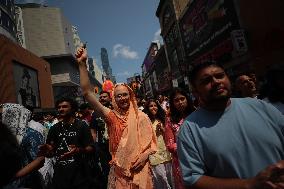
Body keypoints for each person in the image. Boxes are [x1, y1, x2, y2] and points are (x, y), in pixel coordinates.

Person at [177, 61, 284, 189]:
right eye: (206, 81)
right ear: (195, 92)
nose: (216, 82)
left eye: (220, 76)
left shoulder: (259, 106)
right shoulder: (189, 129)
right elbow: (193, 180)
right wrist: (249, 184)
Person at [76, 46, 157, 189]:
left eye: (125, 94)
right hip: (120, 174)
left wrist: (144, 157)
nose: (122, 98)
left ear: (131, 96)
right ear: (114, 99)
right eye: (118, 96)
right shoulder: (111, 116)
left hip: (141, 171)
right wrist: (82, 64)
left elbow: (151, 144)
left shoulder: (142, 117)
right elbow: (87, 93)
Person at [38, 97, 94, 189]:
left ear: (72, 108)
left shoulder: (81, 125)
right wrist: (48, 151)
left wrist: (79, 150)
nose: (61, 109)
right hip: (60, 173)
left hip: (80, 173)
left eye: (64, 106)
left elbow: (91, 147)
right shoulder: (54, 128)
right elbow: (51, 152)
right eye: (59, 107)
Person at [1, 103, 45, 189]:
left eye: (2, 114)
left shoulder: (31, 134)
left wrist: (15, 176)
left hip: (25, 182)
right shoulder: (4, 133)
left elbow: (39, 160)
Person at [165, 88, 194, 189]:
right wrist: (188, 148)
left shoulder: (196, 114)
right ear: (172, 103)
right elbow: (170, 145)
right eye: (176, 100)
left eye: (182, 99)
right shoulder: (170, 120)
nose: (180, 102)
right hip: (181, 163)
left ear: (187, 99)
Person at [143, 98, 173, 189]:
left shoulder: (163, 119)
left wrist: (163, 130)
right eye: (151, 106)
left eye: (155, 105)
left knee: (170, 177)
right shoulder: (145, 121)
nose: (153, 108)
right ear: (147, 108)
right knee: (161, 178)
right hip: (154, 153)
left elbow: (169, 136)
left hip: (166, 152)